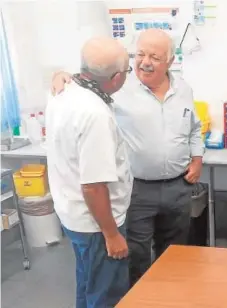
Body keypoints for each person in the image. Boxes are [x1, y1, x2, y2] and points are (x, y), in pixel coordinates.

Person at [50, 29, 204, 286]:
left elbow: (195, 127)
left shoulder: (184, 89)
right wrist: (59, 75)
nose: (145, 62)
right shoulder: (117, 86)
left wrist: (197, 158)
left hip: (179, 187)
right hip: (137, 190)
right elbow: (88, 78)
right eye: (140, 54)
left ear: (170, 61)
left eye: (154, 56)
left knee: (175, 252)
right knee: (135, 255)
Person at [45, 37, 132, 307]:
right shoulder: (95, 114)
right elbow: (93, 186)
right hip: (96, 224)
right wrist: (111, 234)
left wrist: (61, 74)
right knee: (106, 294)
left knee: (87, 284)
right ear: (116, 78)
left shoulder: (61, 92)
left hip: (73, 216)